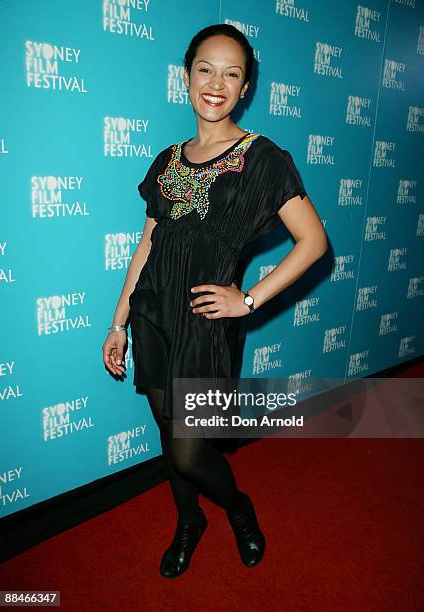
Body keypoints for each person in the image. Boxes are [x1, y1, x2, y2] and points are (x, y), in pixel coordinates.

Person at [102, 23, 328, 578]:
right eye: (206, 68)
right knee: (167, 433)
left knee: (187, 450)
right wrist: (119, 323)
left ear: (246, 88)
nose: (216, 83)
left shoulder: (262, 157)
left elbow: (314, 242)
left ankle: (238, 510)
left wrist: (247, 301)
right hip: (153, 313)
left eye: (233, 74)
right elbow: (148, 246)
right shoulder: (166, 160)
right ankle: (188, 524)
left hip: (205, 322)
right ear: (187, 75)